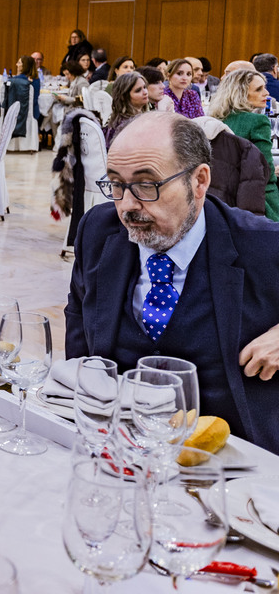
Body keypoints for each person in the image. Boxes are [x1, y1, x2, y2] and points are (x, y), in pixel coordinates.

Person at [64, 112, 279, 454]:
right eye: (116, 184)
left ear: (199, 181)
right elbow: (78, 321)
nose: (127, 206)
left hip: (230, 462)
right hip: (117, 451)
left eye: (147, 185)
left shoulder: (262, 247)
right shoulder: (99, 231)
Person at [208, 69, 279, 221]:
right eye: (259, 89)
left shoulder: (216, 119)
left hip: (222, 197)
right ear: (239, 93)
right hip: (261, 200)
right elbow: (265, 169)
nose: (266, 93)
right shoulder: (258, 121)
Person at [103, 70, 148, 147]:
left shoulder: (140, 117)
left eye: (144, 87)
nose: (145, 92)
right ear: (123, 97)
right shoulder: (124, 126)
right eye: (138, 90)